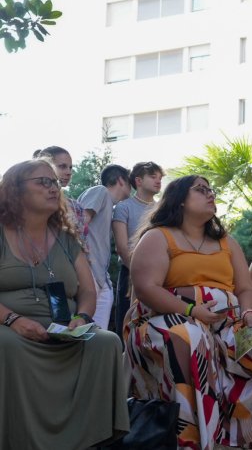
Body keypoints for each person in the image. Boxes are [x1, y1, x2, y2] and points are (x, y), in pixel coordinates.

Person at [126, 175, 252, 450]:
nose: (210, 194)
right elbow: (146, 288)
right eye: (200, 190)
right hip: (166, 319)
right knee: (189, 338)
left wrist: (247, 312)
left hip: (227, 326)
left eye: (211, 190)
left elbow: (246, 287)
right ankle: (190, 440)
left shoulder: (225, 241)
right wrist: (191, 309)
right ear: (180, 200)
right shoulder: (158, 236)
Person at [0, 159, 129, 449]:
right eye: (42, 182)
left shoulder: (67, 238)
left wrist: (82, 318)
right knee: (6, 345)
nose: (53, 188)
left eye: (54, 183)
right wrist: (14, 321)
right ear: (15, 190)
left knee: (105, 341)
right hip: (9, 325)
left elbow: (87, 291)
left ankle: (93, 440)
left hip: (64, 326)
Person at [77, 163, 131, 329]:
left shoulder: (111, 204)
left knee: (97, 335)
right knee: (86, 333)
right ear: (121, 180)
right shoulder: (100, 191)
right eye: (130, 183)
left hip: (101, 277)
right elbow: (79, 223)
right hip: (88, 271)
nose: (133, 188)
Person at [113, 160, 163, 332]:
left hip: (160, 276)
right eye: (153, 176)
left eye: (160, 177)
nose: (158, 181)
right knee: (128, 324)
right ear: (138, 181)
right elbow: (121, 246)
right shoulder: (123, 207)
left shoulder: (163, 209)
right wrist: (137, 272)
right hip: (129, 273)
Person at [32, 146, 83, 229]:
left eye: (70, 167)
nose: (69, 172)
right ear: (45, 166)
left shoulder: (76, 206)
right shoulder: (31, 202)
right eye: (62, 166)